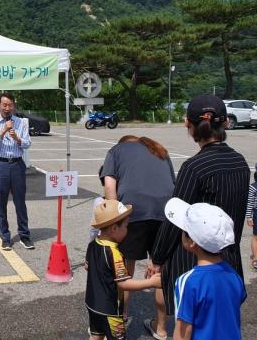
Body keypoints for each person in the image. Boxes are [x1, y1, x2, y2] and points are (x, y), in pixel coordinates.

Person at [149, 95, 250, 330]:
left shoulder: (194, 167)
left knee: (191, 325)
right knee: (222, 323)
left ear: (188, 124)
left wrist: (158, 258)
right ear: (226, 123)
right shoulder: (240, 162)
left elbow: (175, 218)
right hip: (229, 258)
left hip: (195, 261)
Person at [101, 135, 175, 339]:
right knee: (160, 271)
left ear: (123, 144)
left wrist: (114, 221)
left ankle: (120, 321)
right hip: (166, 213)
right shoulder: (159, 150)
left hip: (133, 212)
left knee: (124, 270)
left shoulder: (116, 151)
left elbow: (109, 187)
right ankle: (161, 329)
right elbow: (172, 184)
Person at [164, 198, 246, 340]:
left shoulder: (187, 281)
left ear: (191, 241)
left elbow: (183, 332)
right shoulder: (234, 275)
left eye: (183, 230)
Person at [86, 200, 162, 340]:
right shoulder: (115, 253)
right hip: (110, 310)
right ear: (114, 228)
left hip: (92, 304)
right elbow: (123, 284)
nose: (127, 230)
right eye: (126, 226)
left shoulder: (93, 244)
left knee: (96, 335)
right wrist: (150, 282)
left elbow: (87, 266)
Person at [0, 92, 33, 250]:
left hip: (17, 164)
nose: (7, 108)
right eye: (4, 105)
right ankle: (5, 237)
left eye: (10, 105)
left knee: (20, 202)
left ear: (14, 106)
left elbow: (27, 143)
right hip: (0, 164)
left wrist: (17, 139)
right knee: (1, 202)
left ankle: (24, 235)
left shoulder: (21, 122)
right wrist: (3, 131)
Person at [247, 163, 257, 270]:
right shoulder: (253, 187)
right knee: (255, 237)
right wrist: (249, 217)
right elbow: (249, 203)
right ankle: (255, 258)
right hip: (256, 213)